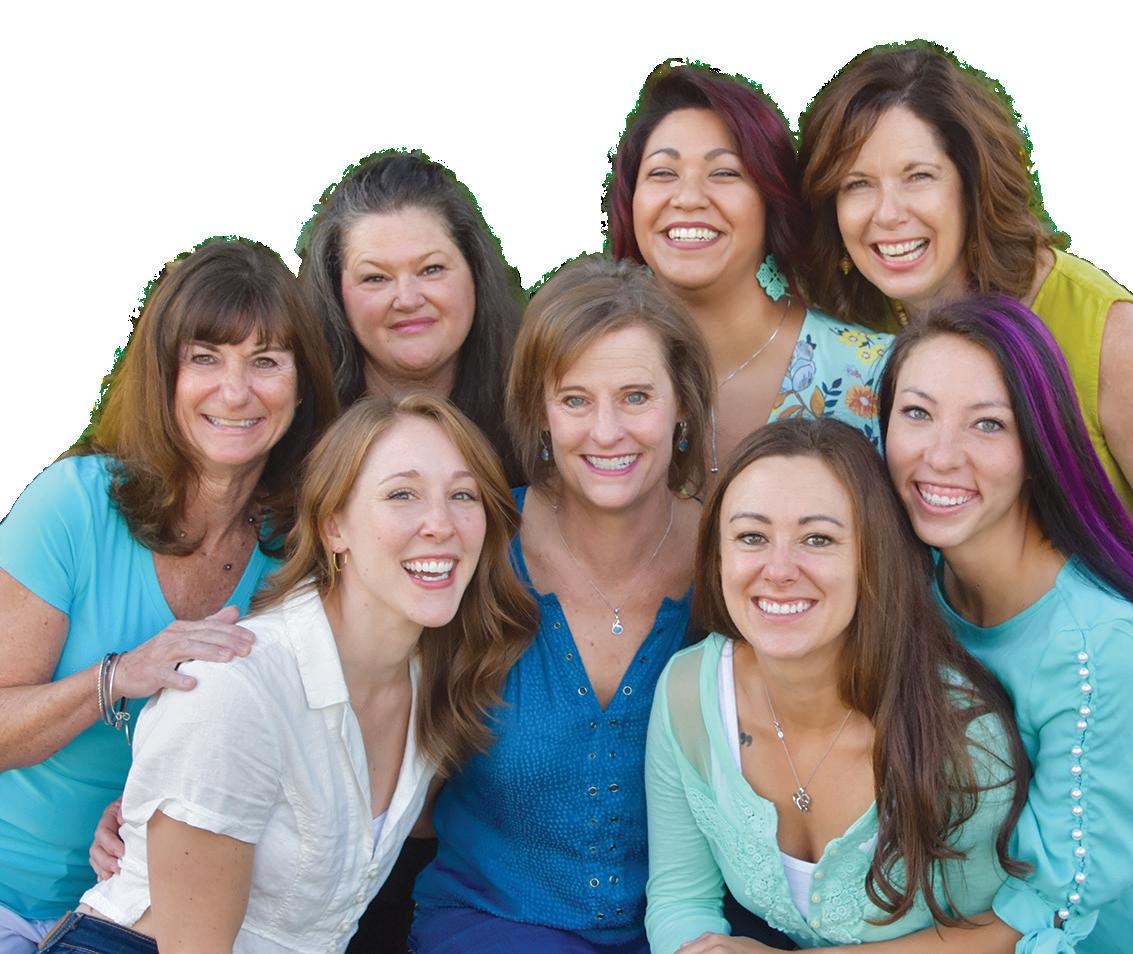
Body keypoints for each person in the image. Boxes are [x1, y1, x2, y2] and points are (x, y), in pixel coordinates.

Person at [39, 393, 537, 953]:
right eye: (402, 494)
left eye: (463, 495)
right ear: (333, 527)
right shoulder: (235, 689)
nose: (441, 524)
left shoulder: (431, 676)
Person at [0, 238, 339, 953]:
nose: (236, 391)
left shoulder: (301, 552)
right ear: (164, 375)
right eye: (205, 358)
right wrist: (119, 675)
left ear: (302, 384)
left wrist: (144, 810)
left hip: (143, 914)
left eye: (266, 361)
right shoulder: (72, 506)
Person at [409, 255, 714, 952]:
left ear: (682, 407)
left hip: (696, 928)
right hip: (495, 923)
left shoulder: (739, 561)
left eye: (635, 397)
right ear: (540, 415)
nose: (606, 432)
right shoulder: (474, 546)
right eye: (575, 400)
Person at [644, 417, 1029, 953]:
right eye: (752, 537)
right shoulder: (687, 692)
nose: (779, 569)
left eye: (817, 538)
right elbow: (680, 898)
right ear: (717, 556)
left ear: (872, 557)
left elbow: (1009, 927)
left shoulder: (962, 738)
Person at [881, 295, 1133, 953]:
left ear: (1039, 443)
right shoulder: (905, 588)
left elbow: (1049, 911)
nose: (940, 456)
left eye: (987, 424)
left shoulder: (1098, 647)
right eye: (917, 413)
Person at [798, 40, 1133, 510]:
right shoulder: (850, 335)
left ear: (974, 185)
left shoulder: (1110, 337)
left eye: (918, 176)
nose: (888, 214)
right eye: (857, 184)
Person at [605, 60, 890, 478]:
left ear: (771, 201)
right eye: (663, 173)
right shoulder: (580, 360)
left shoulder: (875, 374)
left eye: (724, 172)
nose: (688, 198)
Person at [298, 148, 526, 483]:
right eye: (375, 277)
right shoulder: (292, 434)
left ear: (475, 273)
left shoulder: (539, 423)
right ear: (335, 293)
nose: (407, 299)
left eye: (431, 269)